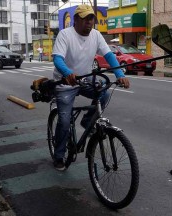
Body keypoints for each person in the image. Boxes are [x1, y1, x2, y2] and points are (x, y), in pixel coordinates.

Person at [51, 4, 130, 171]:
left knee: (104, 94)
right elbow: (58, 59)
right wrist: (67, 72)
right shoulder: (65, 35)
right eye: (85, 18)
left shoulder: (96, 35)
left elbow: (108, 55)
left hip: (85, 80)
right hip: (65, 83)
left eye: (91, 18)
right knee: (64, 122)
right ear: (76, 19)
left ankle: (87, 121)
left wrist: (120, 75)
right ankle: (58, 156)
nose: (89, 22)